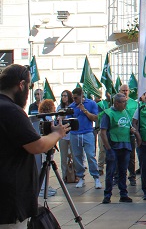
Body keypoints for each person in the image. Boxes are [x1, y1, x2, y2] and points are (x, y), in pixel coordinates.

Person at [0, 64, 69, 226]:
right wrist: (57, 134)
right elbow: (37, 146)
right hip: (8, 200)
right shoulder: (11, 110)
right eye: (29, 86)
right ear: (21, 85)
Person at [100, 93, 136, 204]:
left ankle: (123, 194)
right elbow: (103, 132)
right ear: (116, 103)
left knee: (123, 172)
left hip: (125, 145)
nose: (126, 104)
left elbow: (129, 126)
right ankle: (107, 195)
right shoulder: (108, 114)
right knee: (110, 172)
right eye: (123, 102)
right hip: (113, 147)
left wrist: (132, 131)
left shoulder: (126, 112)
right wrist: (108, 149)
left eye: (126, 101)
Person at [69, 87, 102, 189]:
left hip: (87, 132)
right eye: (73, 98)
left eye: (76, 98)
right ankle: (80, 177)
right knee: (77, 156)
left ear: (81, 96)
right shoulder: (71, 106)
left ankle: (96, 177)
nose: (74, 100)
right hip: (75, 133)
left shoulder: (91, 104)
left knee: (90, 155)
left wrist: (85, 111)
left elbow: (95, 117)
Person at [118, 84, 139, 186]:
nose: (125, 92)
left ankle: (132, 176)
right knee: (118, 156)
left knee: (131, 156)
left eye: (126, 90)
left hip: (130, 133)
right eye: (123, 90)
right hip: (119, 133)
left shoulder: (134, 103)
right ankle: (117, 176)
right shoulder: (116, 103)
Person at [57, 90, 74, 173]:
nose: (63, 97)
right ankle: (64, 175)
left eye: (65, 96)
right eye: (62, 96)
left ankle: (75, 175)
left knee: (74, 156)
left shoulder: (73, 106)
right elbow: (57, 119)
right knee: (63, 157)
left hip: (72, 133)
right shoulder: (59, 107)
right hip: (63, 135)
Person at [96, 91, 112, 176]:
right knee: (102, 149)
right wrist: (106, 111)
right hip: (103, 129)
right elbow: (98, 116)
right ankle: (100, 167)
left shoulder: (116, 103)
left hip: (113, 130)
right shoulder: (101, 104)